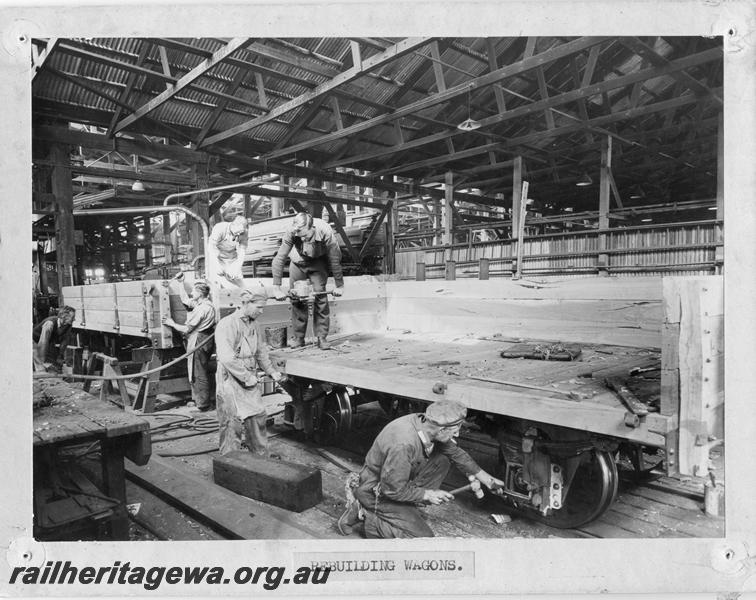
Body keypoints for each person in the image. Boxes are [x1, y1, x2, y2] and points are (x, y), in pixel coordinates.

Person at [338, 400, 504, 538]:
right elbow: (392, 490)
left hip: (395, 481)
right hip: (377, 492)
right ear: (442, 429)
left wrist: (487, 479)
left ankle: (406, 508)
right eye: (455, 431)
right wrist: (427, 494)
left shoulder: (423, 422)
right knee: (421, 539)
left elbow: (455, 452)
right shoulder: (403, 444)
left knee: (443, 460)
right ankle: (367, 515)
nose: (458, 435)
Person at [214, 288, 286, 456]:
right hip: (230, 377)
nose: (261, 311)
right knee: (232, 422)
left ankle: (260, 458)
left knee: (257, 417)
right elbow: (227, 358)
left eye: (263, 308)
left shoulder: (254, 324)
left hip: (248, 375)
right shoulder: (227, 324)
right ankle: (229, 462)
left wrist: (271, 371)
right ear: (246, 303)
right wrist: (247, 378)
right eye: (259, 307)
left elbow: (260, 351)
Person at [271, 212, 344, 349]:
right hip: (298, 262)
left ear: (312, 228)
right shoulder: (292, 232)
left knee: (320, 297)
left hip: (318, 261)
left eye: (305, 235)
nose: (302, 239)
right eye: (299, 236)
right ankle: (299, 338)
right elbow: (279, 259)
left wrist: (339, 285)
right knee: (297, 298)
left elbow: (334, 258)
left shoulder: (325, 230)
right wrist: (276, 288)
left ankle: (321, 337)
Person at [162, 275, 217, 412]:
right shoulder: (202, 304)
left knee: (199, 372)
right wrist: (181, 283)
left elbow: (187, 329)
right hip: (202, 338)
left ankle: (204, 404)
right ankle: (198, 399)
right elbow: (186, 300)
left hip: (200, 340)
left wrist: (171, 323)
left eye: (194, 291)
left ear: (200, 293)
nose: (192, 292)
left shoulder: (203, 309)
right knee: (195, 370)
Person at [208, 215, 248, 288]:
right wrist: (216, 265)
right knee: (216, 282)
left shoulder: (244, 232)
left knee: (238, 280)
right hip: (217, 257)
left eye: (241, 232)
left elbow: (242, 252)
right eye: (237, 232)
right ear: (233, 225)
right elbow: (211, 247)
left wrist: (237, 267)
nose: (238, 234)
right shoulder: (220, 228)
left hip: (231, 258)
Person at [33, 306, 76, 372]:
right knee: (40, 368)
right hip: (34, 342)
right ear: (64, 316)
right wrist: (42, 362)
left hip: (47, 343)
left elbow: (65, 341)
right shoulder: (50, 324)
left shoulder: (68, 325)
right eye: (72, 317)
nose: (74, 319)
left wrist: (60, 356)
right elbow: (43, 343)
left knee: (53, 366)